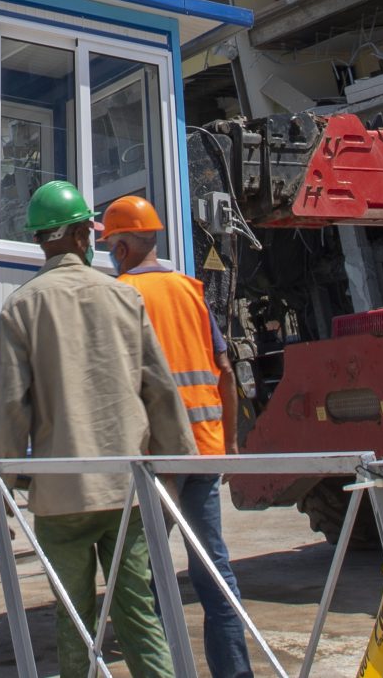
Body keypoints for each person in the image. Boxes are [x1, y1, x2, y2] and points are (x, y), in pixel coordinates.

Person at [0, 178, 194, 678]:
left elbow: (9, 409)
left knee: (74, 620)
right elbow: (160, 391)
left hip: (62, 497)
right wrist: (174, 469)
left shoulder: (21, 307)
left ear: (40, 240)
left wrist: (4, 484)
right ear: (84, 236)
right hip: (128, 490)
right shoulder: (123, 299)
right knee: (139, 615)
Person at [100, 192, 251, 678]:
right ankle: (235, 672)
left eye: (109, 245)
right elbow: (225, 372)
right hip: (204, 451)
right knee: (214, 570)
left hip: (155, 459)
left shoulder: (121, 295)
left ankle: (165, 669)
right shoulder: (191, 289)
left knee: (147, 575)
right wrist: (229, 443)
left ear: (122, 247)